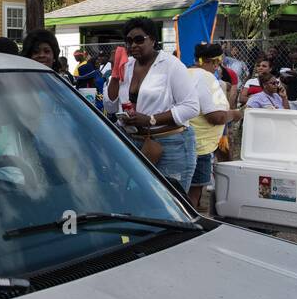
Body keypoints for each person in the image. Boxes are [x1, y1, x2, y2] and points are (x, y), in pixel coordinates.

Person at [103, 17, 200, 192]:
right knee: (136, 199)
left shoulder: (171, 65)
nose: (133, 45)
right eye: (129, 41)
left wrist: (151, 119)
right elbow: (110, 106)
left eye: (139, 39)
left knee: (169, 202)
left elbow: (191, 106)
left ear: (153, 40)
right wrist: (116, 72)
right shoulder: (127, 65)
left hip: (170, 144)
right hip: (133, 142)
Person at [187, 42, 243, 211]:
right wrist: (235, 114)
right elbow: (216, 116)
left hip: (189, 141)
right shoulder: (205, 77)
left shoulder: (185, 72)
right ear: (215, 61)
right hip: (200, 145)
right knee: (194, 192)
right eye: (218, 63)